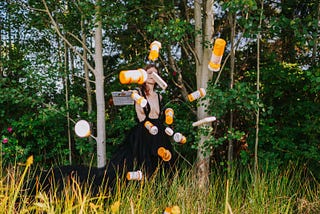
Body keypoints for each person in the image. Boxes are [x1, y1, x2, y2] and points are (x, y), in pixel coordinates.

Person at [106, 64, 176, 185]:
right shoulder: (138, 92)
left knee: (163, 162)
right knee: (142, 163)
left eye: (155, 74)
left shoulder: (159, 96)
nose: (151, 76)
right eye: (149, 73)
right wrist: (125, 94)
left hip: (158, 132)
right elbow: (117, 99)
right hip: (143, 132)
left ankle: (160, 189)